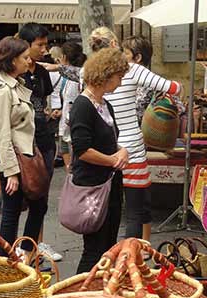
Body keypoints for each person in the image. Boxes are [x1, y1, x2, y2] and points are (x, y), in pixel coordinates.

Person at [42, 27, 181, 242]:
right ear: (115, 45)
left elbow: (68, 71)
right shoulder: (134, 70)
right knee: (134, 209)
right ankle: (130, 256)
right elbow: (174, 87)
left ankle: (114, 256)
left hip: (109, 148)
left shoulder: (89, 71)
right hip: (129, 148)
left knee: (110, 210)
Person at [0, 36, 47, 257]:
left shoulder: (16, 85)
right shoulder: (3, 90)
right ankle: (6, 261)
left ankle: (23, 253)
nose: (27, 61)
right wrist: (11, 172)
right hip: (12, 157)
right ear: (12, 60)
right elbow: (1, 133)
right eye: (23, 57)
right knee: (12, 211)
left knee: (37, 206)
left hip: (24, 154)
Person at [70, 47, 129, 273]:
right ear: (106, 74)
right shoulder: (83, 105)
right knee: (94, 249)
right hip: (93, 186)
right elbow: (82, 150)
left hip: (109, 184)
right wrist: (113, 159)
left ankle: (98, 296)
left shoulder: (104, 105)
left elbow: (109, 142)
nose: (120, 83)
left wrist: (121, 151)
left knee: (107, 247)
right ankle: (79, 296)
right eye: (119, 77)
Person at [17, 23, 61, 261]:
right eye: (40, 45)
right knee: (20, 199)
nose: (45, 49)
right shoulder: (15, 72)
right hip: (22, 142)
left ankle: (34, 245)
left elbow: (44, 101)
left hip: (43, 139)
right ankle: (19, 247)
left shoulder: (43, 73)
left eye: (46, 44)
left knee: (41, 197)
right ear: (27, 44)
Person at [48, 43, 85, 171]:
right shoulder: (69, 77)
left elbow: (73, 102)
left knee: (73, 165)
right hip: (67, 124)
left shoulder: (75, 79)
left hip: (71, 126)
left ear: (63, 57)